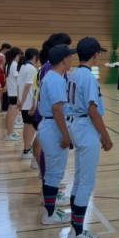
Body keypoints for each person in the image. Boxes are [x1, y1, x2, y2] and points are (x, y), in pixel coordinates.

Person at [66, 37, 113, 238]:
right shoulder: (88, 77)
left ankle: (74, 228)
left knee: (79, 179)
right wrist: (106, 136)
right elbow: (92, 110)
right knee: (86, 180)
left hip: (77, 125)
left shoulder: (74, 73)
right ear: (95, 54)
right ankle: (76, 233)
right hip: (86, 127)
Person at [38, 44, 76, 226]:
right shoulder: (56, 79)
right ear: (64, 60)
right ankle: (49, 214)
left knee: (53, 173)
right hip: (53, 128)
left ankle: (50, 210)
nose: (72, 59)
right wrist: (65, 135)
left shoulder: (52, 76)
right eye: (70, 56)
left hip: (50, 126)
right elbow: (57, 109)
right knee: (54, 174)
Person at [17, 48, 40, 159]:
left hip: (24, 102)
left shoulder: (23, 67)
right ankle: (26, 150)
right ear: (35, 56)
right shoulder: (32, 69)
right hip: (29, 103)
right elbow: (27, 86)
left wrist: (19, 100)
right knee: (30, 126)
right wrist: (22, 101)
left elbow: (19, 85)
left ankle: (26, 149)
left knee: (27, 125)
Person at [4, 47, 23, 142]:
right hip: (15, 93)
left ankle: (8, 131)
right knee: (13, 115)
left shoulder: (9, 64)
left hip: (11, 93)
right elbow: (18, 80)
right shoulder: (15, 65)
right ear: (17, 55)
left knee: (10, 113)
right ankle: (9, 134)